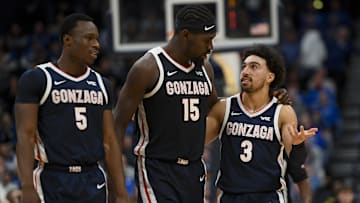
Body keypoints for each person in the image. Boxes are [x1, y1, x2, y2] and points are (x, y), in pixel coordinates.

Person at [15, 13, 128, 203]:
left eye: (97, 39)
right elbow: (25, 135)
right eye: (89, 38)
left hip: (92, 177)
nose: (97, 45)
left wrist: (120, 190)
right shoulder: (38, 78)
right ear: (67, 40)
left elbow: (109, 140)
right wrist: (26, 186)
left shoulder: (102, 84)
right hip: (52, 178)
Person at [205, 45, 318, 203]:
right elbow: (195, 142)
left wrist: (298, 145)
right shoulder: (224, 108)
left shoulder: (282, 112)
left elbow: (296, 163)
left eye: (254, 67)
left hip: (268, 196)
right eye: (244, 66)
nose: (245, 71)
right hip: (231, 196)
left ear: (269, 77)